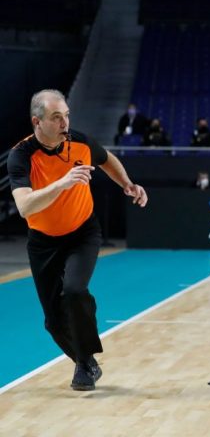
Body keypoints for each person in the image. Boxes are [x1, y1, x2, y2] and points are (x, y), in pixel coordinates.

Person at [6, 89, 148, 391]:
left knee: (73, 290)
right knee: (53, 322)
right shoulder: (21, 156)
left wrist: (127, 184)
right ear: (37, 121)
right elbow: (25, 206)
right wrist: (63, 183)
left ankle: (84, 362)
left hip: (82, 232)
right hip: (43, 241)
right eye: (56, 117)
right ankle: (88, 363)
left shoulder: (81, 142)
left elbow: (107, 159)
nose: (64, 122)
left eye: (66, 115)